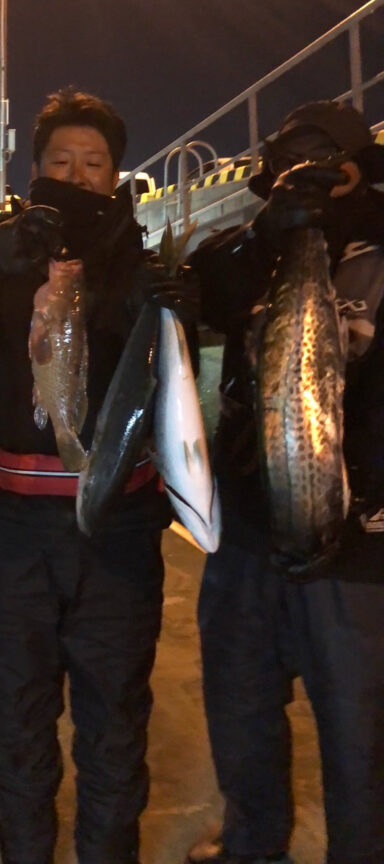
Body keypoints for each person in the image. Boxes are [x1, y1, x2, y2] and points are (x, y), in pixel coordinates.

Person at [0, 87, 198, 864]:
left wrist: (181, 306)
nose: (79, 176)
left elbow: (186, 368)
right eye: (62, 161)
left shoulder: (142, 264)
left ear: (116, 175)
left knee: (115, 720)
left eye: (95, 163)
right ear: (34, 170)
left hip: (119, 533)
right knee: (18, 718)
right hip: (14, 536)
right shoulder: (2, 255)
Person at [184, 100, 384, 864]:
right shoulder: (247, 251)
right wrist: (267, 236)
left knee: (360, 734)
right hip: (246, 532)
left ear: (360, 169)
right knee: (241, 713)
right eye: (291, 162)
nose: (309, 174)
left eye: (327, 159)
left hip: (362, 548)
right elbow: (198, 290)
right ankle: (250, 845)